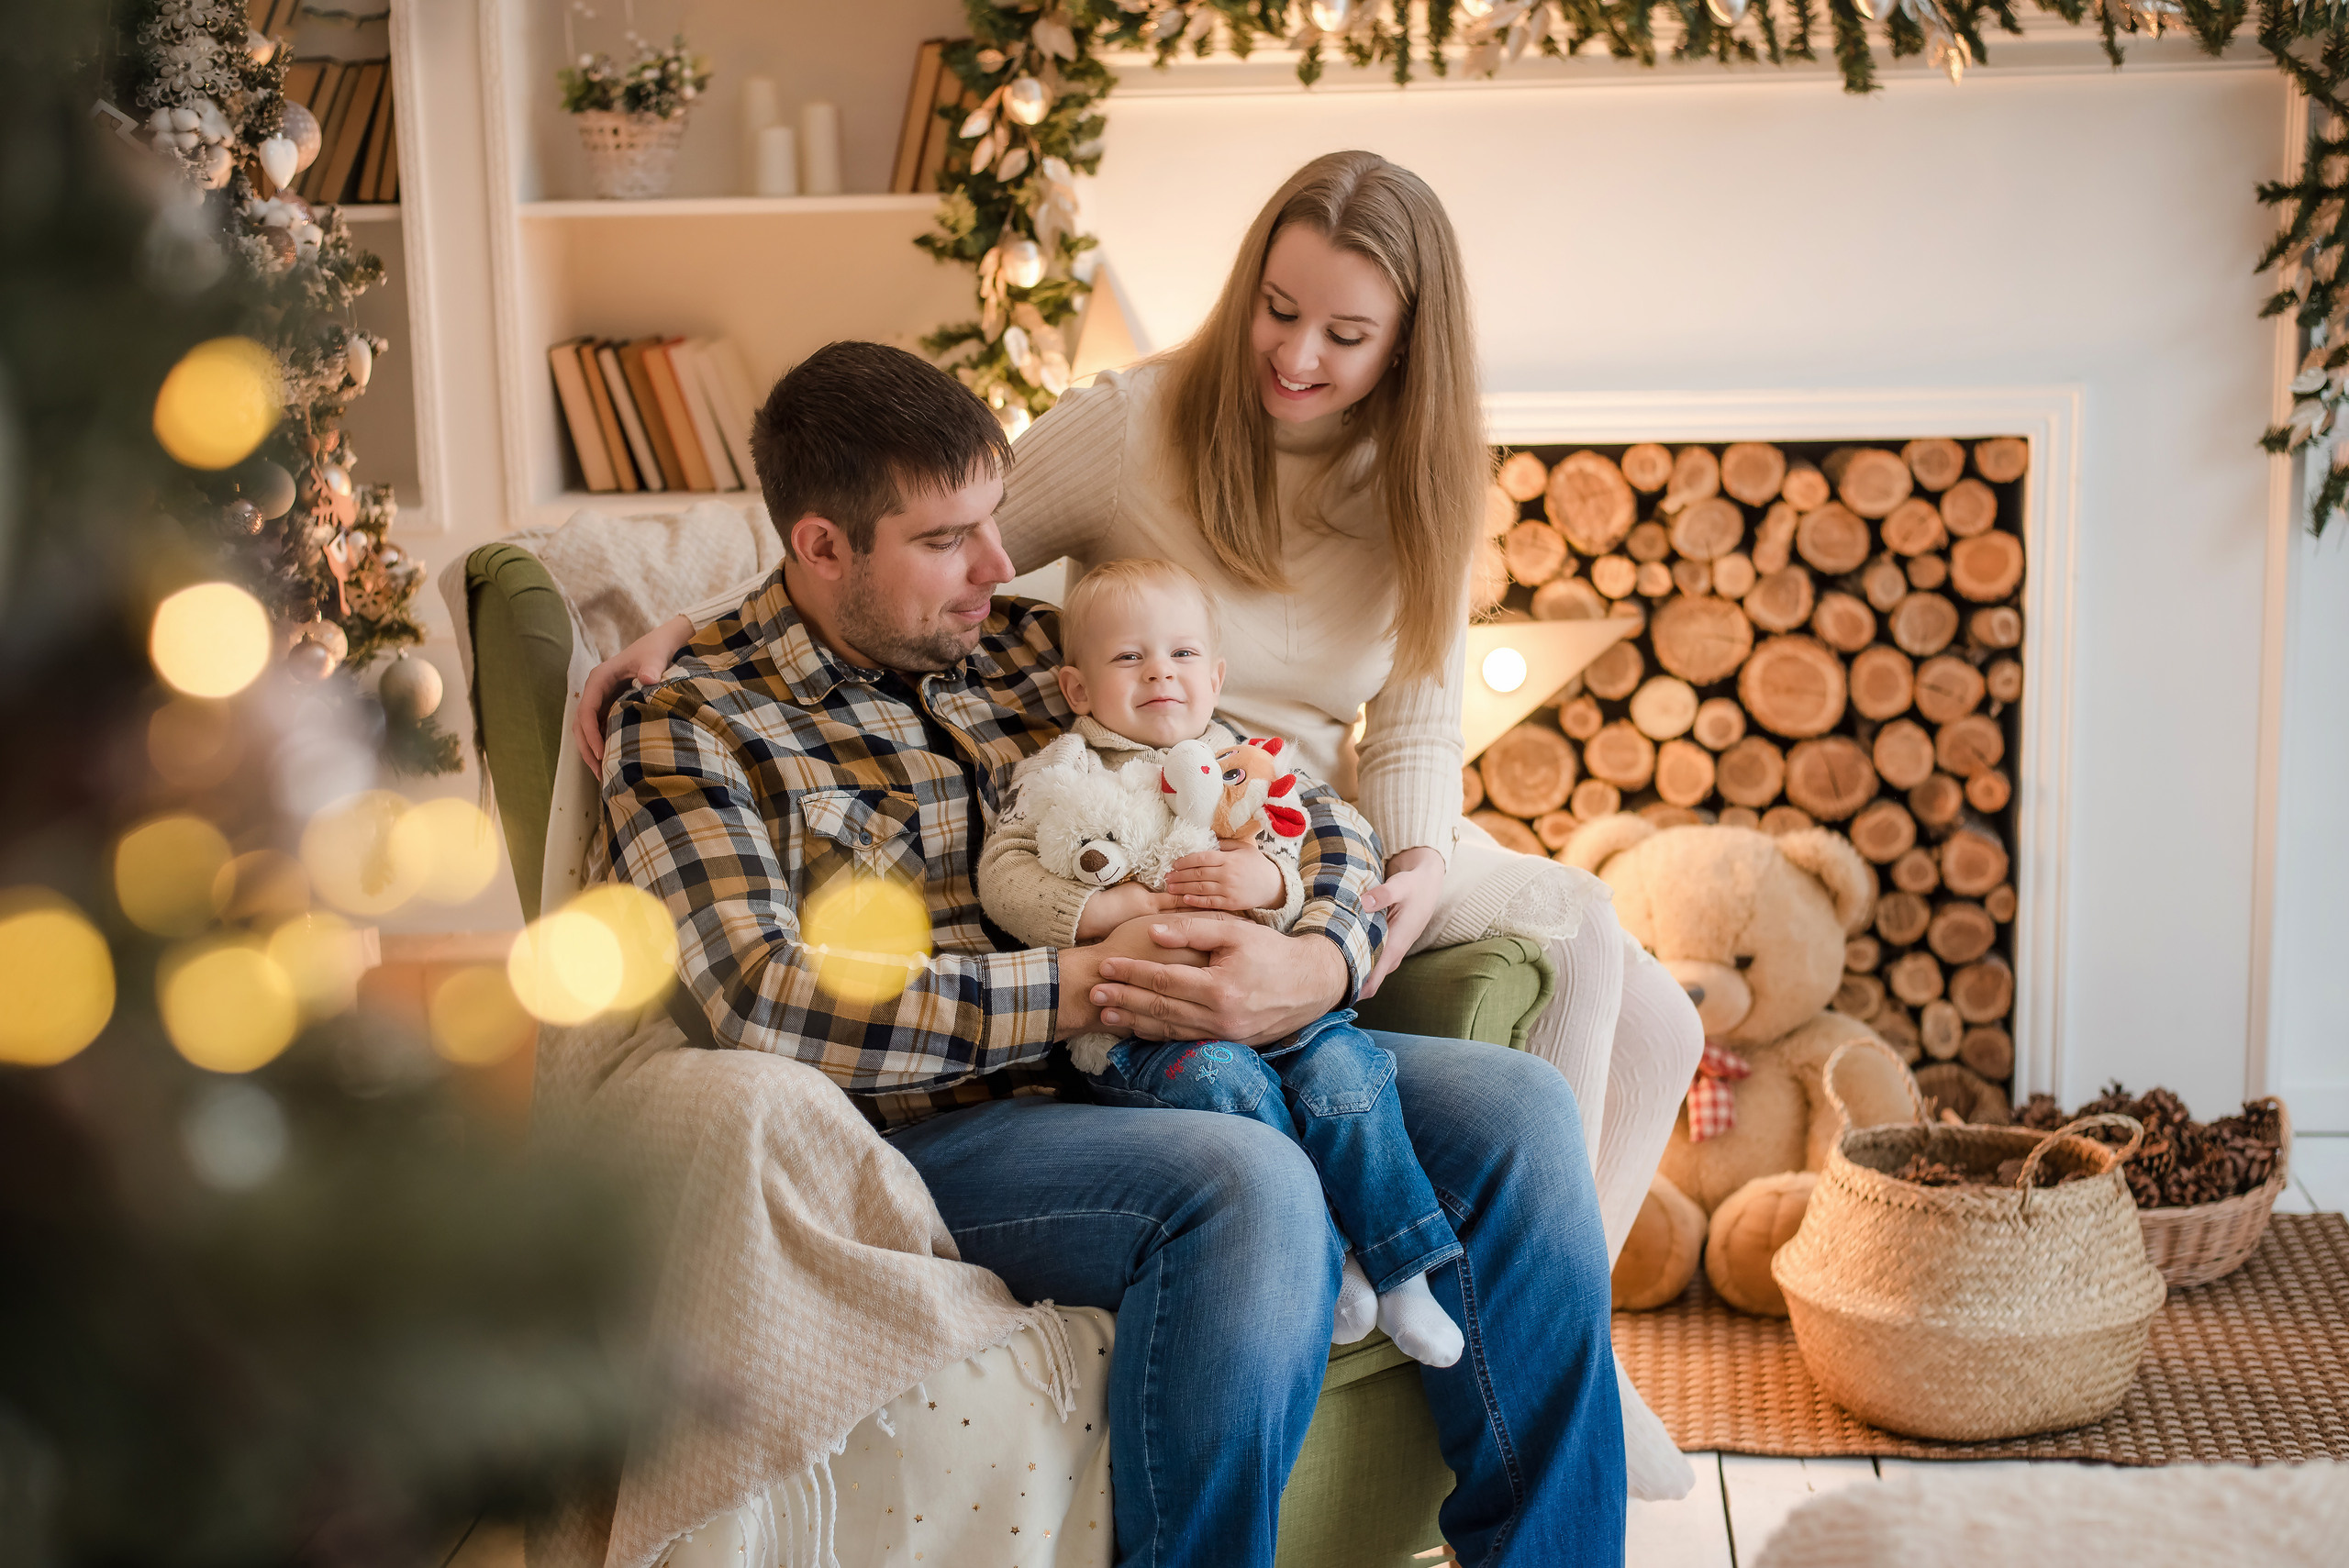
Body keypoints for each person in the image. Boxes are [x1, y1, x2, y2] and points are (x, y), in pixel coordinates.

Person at [580, 150, 1704, 1498]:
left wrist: (1329, 944)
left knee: (1527, 1104)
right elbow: (764, 997)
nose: (1005, 572)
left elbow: (1316, 787)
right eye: (956, 543)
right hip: (953, 1106)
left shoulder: (1028, 653)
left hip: (1170, 1005)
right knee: (1251, 1181)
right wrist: (1092, 978)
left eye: (1000, 530)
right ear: (823, 549)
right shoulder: (693, 720)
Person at [977, 554, 1468, 1368]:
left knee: (1349, 1074)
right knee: (1223, 1085)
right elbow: (1005, 877)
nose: (1160, 673)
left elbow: (1301, 853)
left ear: (1217, 675)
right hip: (1147, 1033)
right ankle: (1331, 1255)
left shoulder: (1250, 767)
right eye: (1129, 657)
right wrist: (1107, 910)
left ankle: (1404, 1267)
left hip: (1276, 1011)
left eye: (1183, 655)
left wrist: (1266, 879)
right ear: (1077, 688)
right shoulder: (1061, 775)